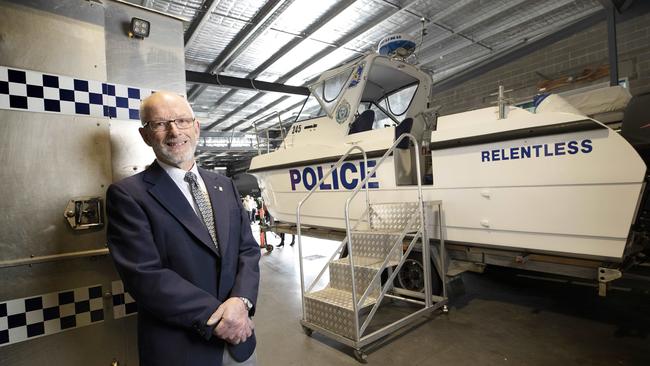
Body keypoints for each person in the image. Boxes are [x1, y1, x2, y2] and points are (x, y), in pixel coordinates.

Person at [106, 91, 260, 366]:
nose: (174, 131)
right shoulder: (128, 195)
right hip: (181, 350)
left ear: (196, 127)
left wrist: (242, 301)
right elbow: (144, 275)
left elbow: (247, 250)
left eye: (181, 120)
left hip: (240, 340)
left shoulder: (224, 185)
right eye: (160, 124)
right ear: (145, 135)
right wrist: (222, 318)